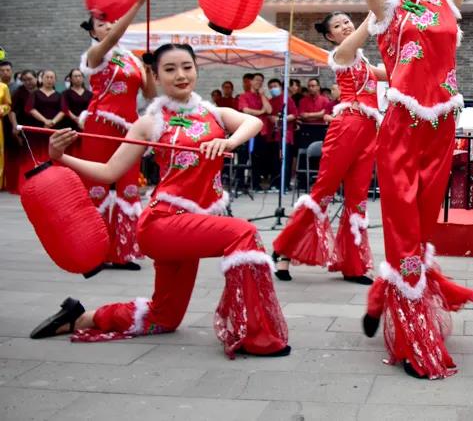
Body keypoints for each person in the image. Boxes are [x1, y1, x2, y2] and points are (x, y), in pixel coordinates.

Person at [304, 0, 473, 379]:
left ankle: (387, 296)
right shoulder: (385, 7)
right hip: (403, 132)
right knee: (404, 233)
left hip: (442, 130)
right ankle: (412, 337)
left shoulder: (447, 0)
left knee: (422, 234)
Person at [31, 44, 290, 358]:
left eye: (187, 67)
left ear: (196, 70)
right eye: (170, 69)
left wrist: (228, 141)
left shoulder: (213, 113)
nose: (181, 75)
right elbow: (109, 171)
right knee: (243, 233)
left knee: (164, 317)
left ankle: (80, 317)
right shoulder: (150, 122)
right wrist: (60, 157)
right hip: (163, 223)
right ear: (154, 76)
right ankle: (256, 335)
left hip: (191, 224)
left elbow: (254, 123)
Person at [272, 12, 384, 285]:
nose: (345, 26)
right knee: (323, 192)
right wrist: (377, 7)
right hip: (346, 128)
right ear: (330, 36)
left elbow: (391, 73)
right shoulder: (341, 54)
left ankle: (353, 265)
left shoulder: (362, 60)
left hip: (368, 130)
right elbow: (364, 31)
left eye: (346, 21)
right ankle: (284, 249)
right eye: (338, 25)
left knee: (357, 198)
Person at [79, 0, 156, 270]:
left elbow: (149, 94)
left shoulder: (132, 59)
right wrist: (137, 3)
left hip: (129, 129)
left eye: (111, 22)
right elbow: (112, 38)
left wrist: (149, 69)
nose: (109, 26)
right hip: (100, 125)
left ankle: (123, 252)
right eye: (101, 24)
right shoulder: (94, 55)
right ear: (92, 31)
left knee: (129, 187)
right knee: (97, 188)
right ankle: (93, 252)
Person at [238, 73, 273, 190]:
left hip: (261, 131)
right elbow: (246, 110)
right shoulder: (243, 96)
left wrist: (262, 95)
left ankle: (255, 183)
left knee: (258, 159)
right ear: (251, 82)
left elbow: (269, 110)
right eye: (257, 80)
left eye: (261, 81)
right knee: (244, 158)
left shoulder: (263, 97)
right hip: (247, 130)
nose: (259, 82)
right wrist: (260, 112)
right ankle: (240, 184)